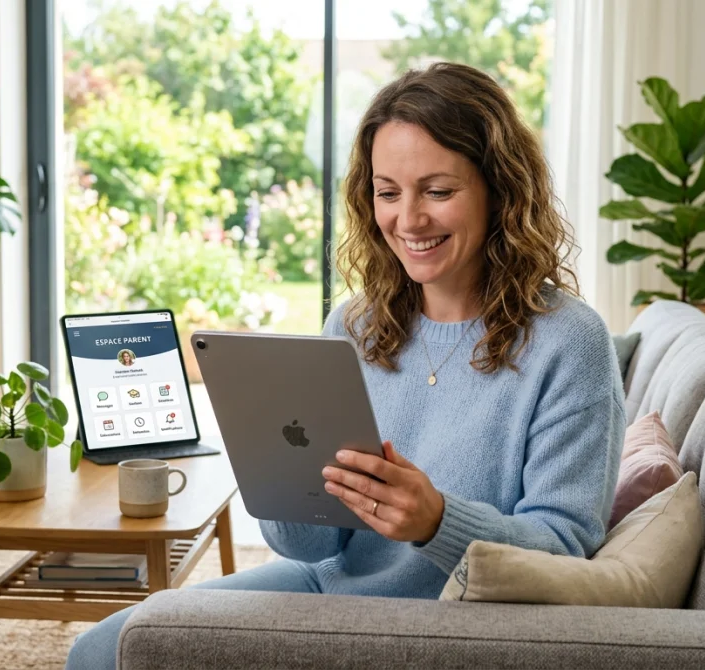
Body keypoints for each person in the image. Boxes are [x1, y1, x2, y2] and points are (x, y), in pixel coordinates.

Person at [66, 61, 625, 669]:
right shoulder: (357, 325)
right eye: (388, 192)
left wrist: (438, 522)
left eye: (438, 191)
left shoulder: (569, 341)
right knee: (103, 648)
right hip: (329, 591)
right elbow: (312, 547)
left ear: (501, 190)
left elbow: (566, 548)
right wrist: (278, 478)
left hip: (458, 625)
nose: (408, 220)